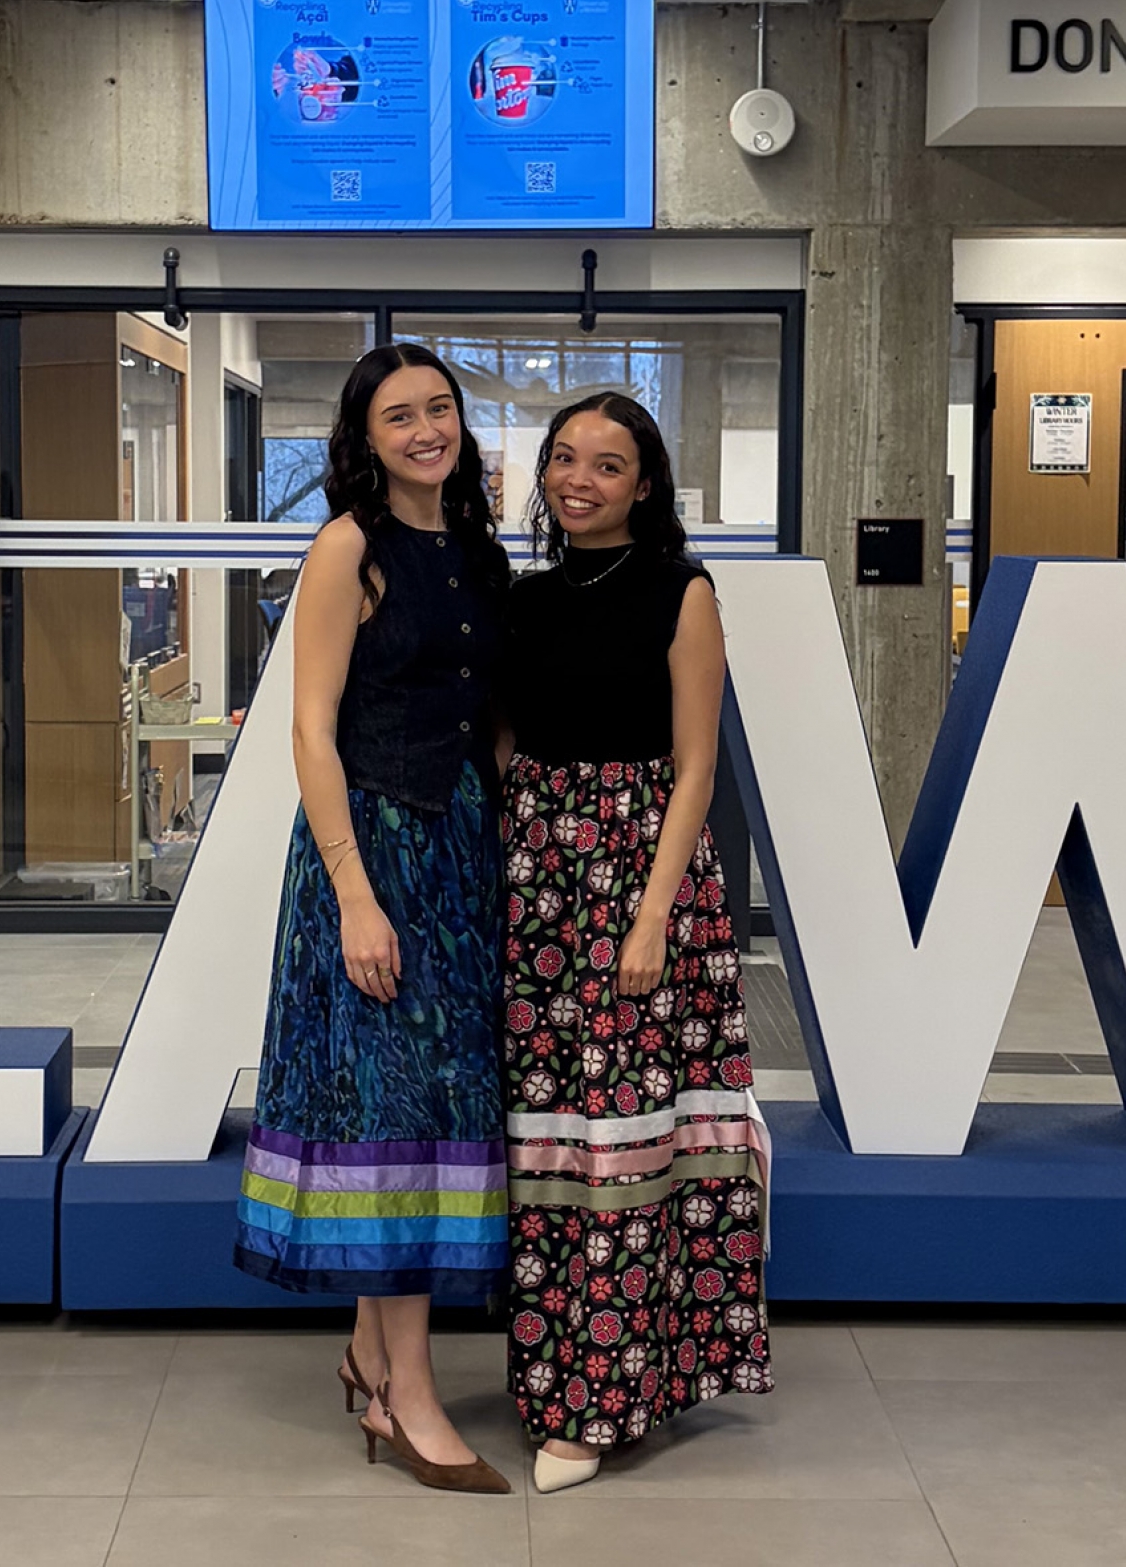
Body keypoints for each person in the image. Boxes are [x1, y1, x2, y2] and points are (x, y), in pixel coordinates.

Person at [231, 342, 515, 1495]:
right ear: (364, 436)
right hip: (371, 858)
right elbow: (310, 731)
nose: (425, 430)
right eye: (399, 415)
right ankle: (407, 1398)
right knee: (390, 1111)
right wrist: (354, 893)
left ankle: (366, 1346)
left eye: (439, 409)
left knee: (427, 1104)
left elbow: (486, 715)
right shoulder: (347, 546)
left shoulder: (481, 551)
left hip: (458, 857)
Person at [496, 390, 772, 1494]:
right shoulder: (519, 598)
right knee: (548, 1149)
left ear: (644, 485)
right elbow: (508, 741)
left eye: (607, 465)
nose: (579, 479)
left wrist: (651, 913)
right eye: (564, 459)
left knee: (629, 1147)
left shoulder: (681, 592)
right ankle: (556, 1379)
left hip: (642, 884)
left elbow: (696, 766)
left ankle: (607, 1398)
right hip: (537, 884)